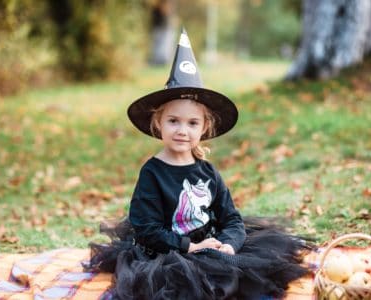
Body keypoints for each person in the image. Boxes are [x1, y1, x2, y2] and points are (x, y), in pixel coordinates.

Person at [85, 28, 313, 300]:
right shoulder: (153, 173)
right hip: (167, 253)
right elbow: (147, 230)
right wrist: (190, 248)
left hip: (209, 245)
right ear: (158, 123)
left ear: (205, 127)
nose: (183, 130)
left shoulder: (207, 172)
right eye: (173, 121)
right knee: (189, 287)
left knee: (242, 273)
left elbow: (231, 218)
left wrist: (228, 245)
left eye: (192, 123)